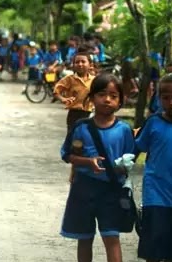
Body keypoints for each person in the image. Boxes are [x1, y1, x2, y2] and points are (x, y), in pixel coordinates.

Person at [59, 73, 132, 262]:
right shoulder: (81, 127)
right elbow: (67, 154)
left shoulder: (124, 130)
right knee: (84, 238)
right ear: (91, 98)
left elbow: (130, 158)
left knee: (111, 237)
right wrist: (87, 162)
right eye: (101, 94)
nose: (107, 99)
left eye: (113, 96)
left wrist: (120, 168)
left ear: (120, 102)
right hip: (83, 188)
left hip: (111, 190)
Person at [135, 73, 172, 262]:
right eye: (166, 98)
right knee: (154, 248)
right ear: (159, 99)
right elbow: (137, 148)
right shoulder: (153, 122)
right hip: (156, 194)